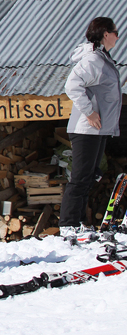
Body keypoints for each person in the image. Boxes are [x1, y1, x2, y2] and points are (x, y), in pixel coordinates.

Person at [61, 16, 122, 237]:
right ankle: (68, 223)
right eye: (115, 32)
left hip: (98, 130)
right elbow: (72, 85)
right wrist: (89, 111)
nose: (118, 36)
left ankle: (78, 222)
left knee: (91, 175)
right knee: (80, 176)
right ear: (105, 34)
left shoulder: (102, 58)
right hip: (85, 129)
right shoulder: (93, 60)